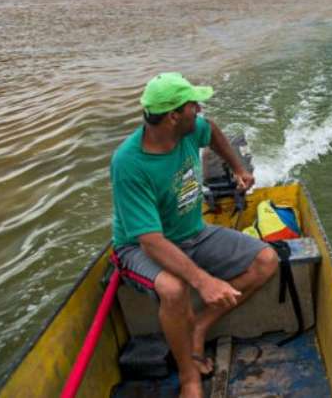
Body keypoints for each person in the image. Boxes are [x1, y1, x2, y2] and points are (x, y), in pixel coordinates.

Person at [110, 72, 278, 398]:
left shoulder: (191, 130)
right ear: (173, 116)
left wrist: (239, 168)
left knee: (266, 260)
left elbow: (213, 131)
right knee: (175, 289)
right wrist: (203, 280)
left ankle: (200, 325)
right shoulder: (129, 163)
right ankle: (188, 377)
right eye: (192, 105)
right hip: (138, 248)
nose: (199, 109)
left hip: (193, 233)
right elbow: (151, 241)